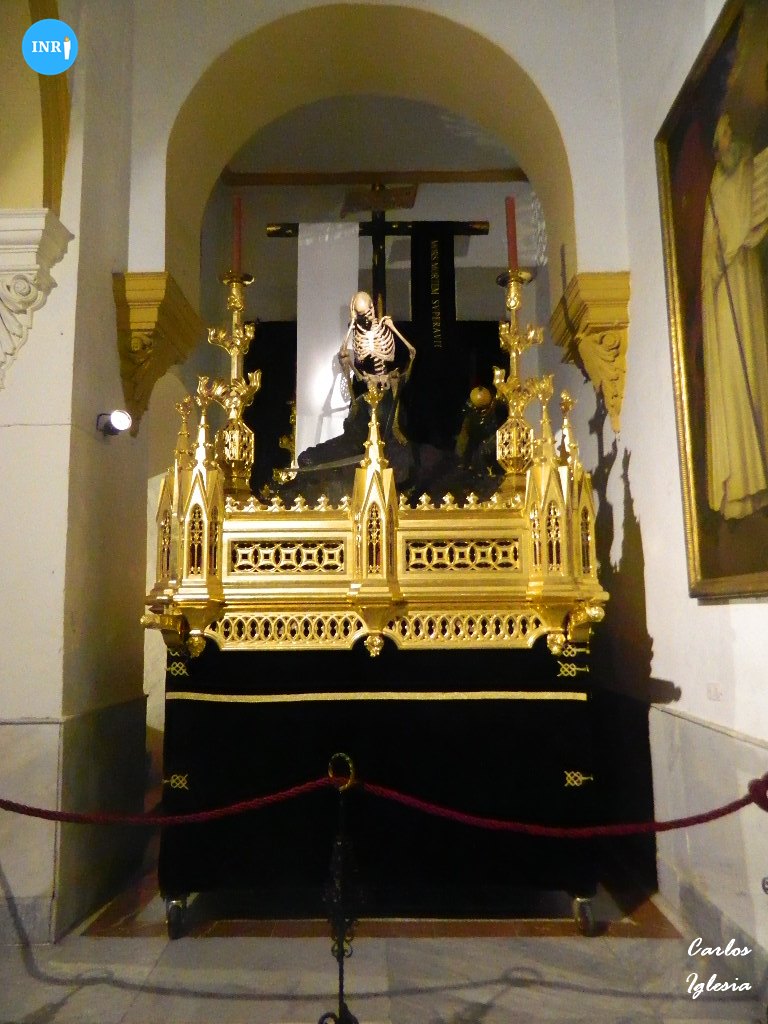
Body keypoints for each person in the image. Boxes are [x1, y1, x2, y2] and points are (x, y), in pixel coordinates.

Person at [701, 112, 768, 518]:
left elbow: (749, 222)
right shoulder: (715, 189)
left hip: (745, 286)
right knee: (732, 383)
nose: (725, 141)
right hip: (724, 298)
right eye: (720, 136)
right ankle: (741, 483)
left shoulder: (747, 172)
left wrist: (733, 247)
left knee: (754, 375)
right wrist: (716, 259)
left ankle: (759, 475)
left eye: (727, 133)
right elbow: (710, 248)